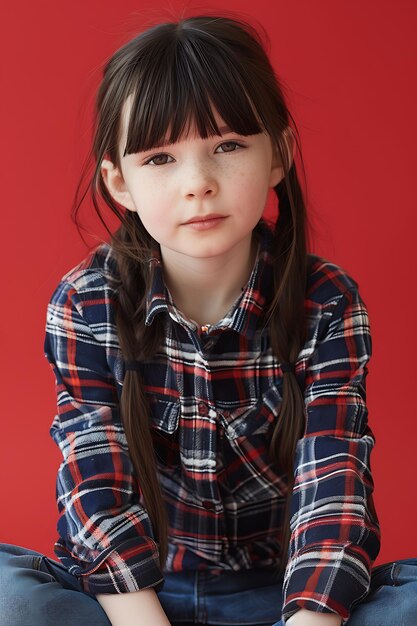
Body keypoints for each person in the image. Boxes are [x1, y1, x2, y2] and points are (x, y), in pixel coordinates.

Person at [0, 14, 416, 626]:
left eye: (227, 146)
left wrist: (310, 620)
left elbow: (336, 479)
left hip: (281, 595)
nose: (198, 184)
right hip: (134, 598)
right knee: (12, 598)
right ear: (120, 182)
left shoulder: (325, 301)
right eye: (161, 158)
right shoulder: (87, 302)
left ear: (279, 154)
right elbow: (93, 485)